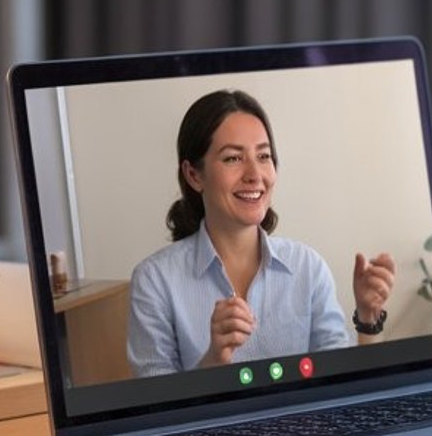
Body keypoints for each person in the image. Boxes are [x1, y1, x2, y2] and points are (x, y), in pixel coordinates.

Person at [127, 89, 397, 377]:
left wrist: (368, 318)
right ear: (194, 175)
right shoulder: (154, 281)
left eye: (264, 156)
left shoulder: (308, 266)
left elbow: (340, 383)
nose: (255, 175)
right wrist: (213, 362)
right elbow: (156, 399)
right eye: (233, 158)